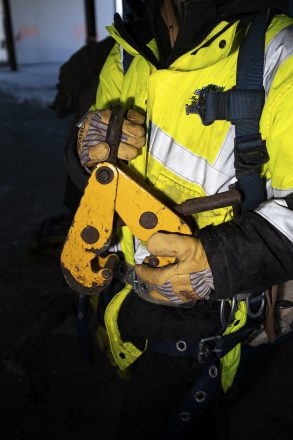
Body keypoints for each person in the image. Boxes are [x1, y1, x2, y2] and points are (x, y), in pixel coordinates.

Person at [75, 0, 293, 439]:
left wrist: (216, 260)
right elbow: (90, 179)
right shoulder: (126, 50)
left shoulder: (276, 51)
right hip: (121, 300)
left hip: (202, 322)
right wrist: (86, 147)